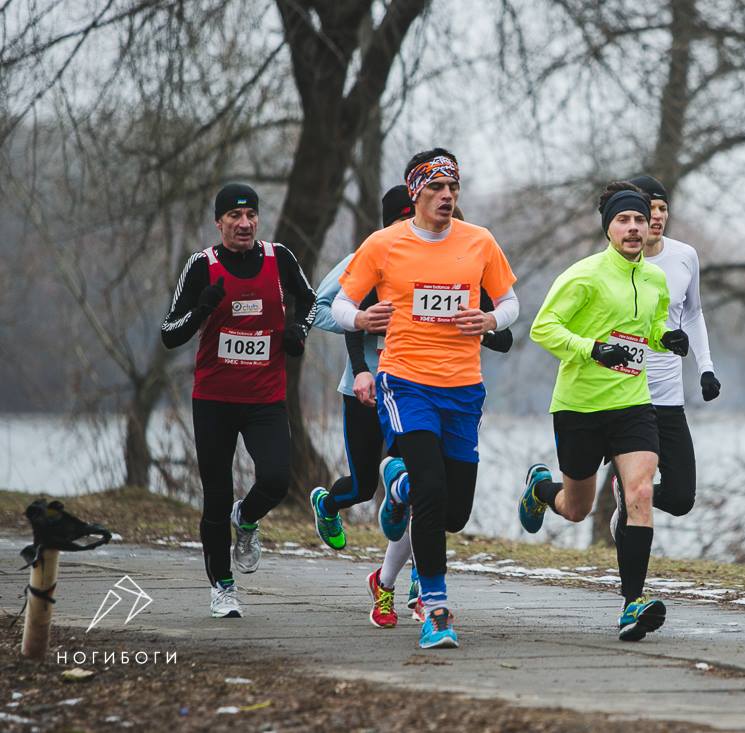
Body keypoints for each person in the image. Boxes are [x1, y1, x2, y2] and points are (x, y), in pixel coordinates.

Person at [332, 149, 519, 648]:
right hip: (406, 381)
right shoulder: (384, 244)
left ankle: (398, 489)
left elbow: (510, 302)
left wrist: (490, 320)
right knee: (431, 491)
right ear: (415, 192)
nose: (447, 196)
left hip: (464, 388)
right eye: (436, 188)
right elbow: (341, 302)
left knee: (453, 512)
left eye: (453, 188)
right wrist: (360, 320)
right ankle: (436, 611)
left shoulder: (478, 241)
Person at [517, 181, 688, 641]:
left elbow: (649, 328)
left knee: (640, 493)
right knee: (576, 508)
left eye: (639, 219)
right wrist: (592, 349)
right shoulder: (584, 275)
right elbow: (543, 328)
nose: (634, 228)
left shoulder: (654, 279)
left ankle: (632, 603)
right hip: (579, 407)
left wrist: (664, 339)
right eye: (623, 221)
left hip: (632, 403)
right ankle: (540, 488)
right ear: (608, 229)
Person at [161, 183, 316, 618]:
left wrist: (297, 333)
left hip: (265, 396)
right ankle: (222, 587)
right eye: (234, 217)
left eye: (251, 216)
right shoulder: (201, 266)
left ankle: (245, 519)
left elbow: (310, 303)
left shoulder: (279, 257)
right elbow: (169, 333)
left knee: (277, 478)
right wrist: (201, 311)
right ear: (219, 222)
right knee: (215, 494)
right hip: (214, 399)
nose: (244, 224)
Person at [599, 174, 721, 538]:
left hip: (668, 394)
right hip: (623, 394)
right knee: (578, 499)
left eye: (662, 208)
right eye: (648, 209)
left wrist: (706, 368)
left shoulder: (684, 257)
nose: (656, 216)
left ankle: (626, 496)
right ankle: (630, 591)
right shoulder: (609, 267)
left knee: (681, 497)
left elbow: (693, 314)